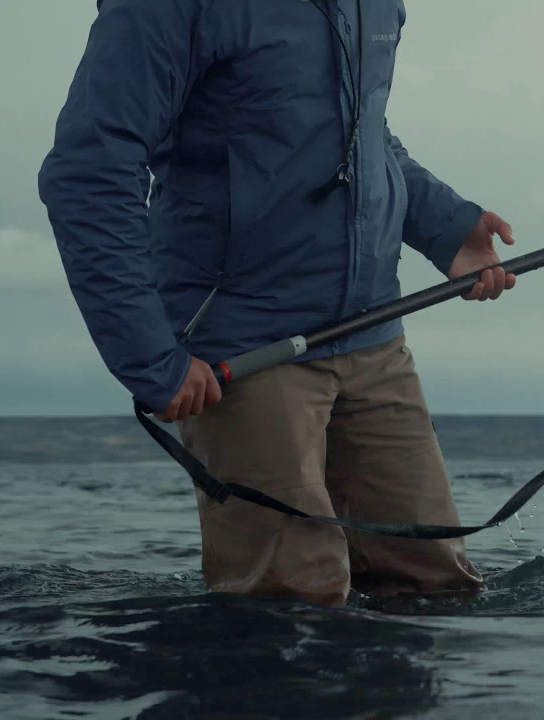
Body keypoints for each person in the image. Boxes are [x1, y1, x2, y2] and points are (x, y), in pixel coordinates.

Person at [37, 0, 513, 608]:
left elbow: (361, 131)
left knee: (436, 589)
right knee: (288, 608)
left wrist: (448, 228)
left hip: (373, 333)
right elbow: (90, 170)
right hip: (244, 343)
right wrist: (147, 352)